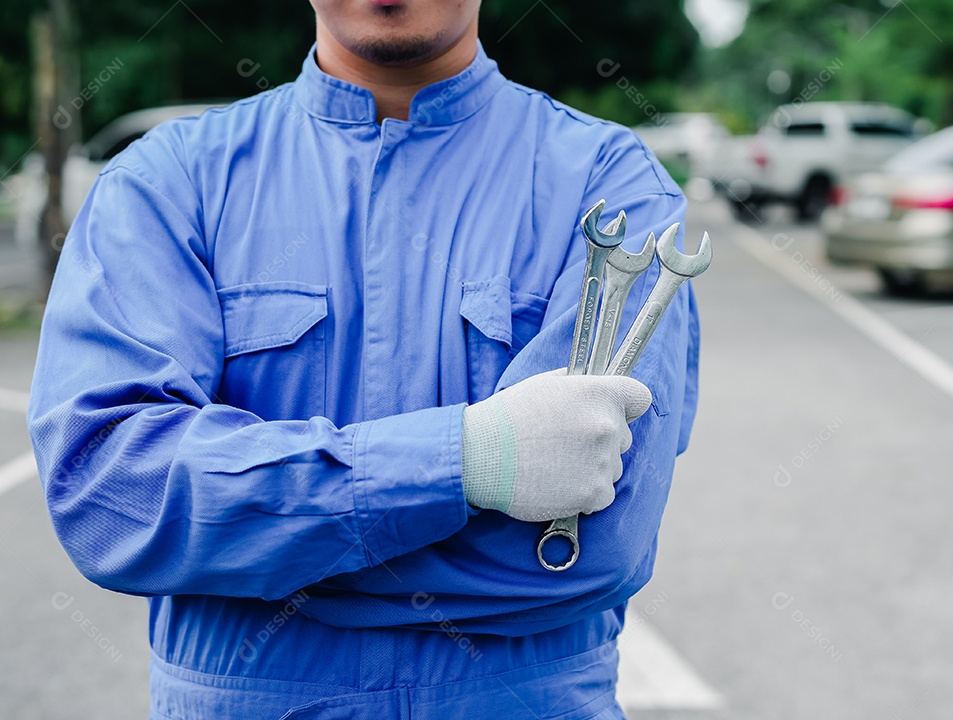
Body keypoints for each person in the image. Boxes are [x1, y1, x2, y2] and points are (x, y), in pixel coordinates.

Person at [27, 0, 700, 717]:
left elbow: (590, 555)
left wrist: (250, 544)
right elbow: (113, 497)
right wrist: (467, 463)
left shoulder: (610, 183)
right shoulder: (166, 184)